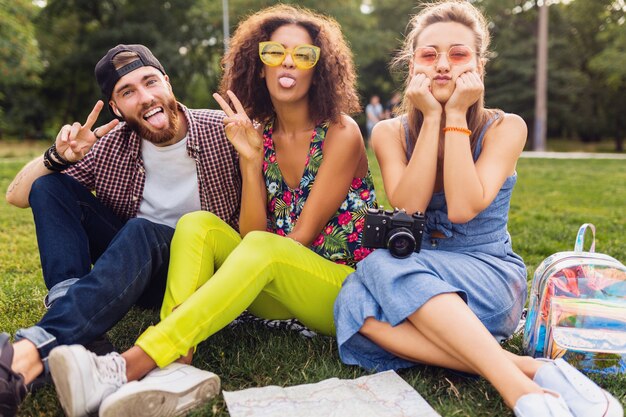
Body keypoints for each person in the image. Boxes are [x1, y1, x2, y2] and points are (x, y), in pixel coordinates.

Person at [47, 5, 377, 417]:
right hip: (275, 286)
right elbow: (249, 235)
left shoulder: (342, 133)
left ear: (319, 69)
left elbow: (300, 240)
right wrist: (251, 163)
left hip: (337, 289)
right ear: (259, 66)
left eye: (304, 55)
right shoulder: (258, 133)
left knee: (265, 248)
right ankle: (178, 366)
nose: (288, 62)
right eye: (275, 52)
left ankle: (129, 364)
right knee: (197, 224)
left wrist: (234, 273)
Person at [333, 2, 623, 417]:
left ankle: (516, 390)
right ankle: (532, 371)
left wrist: (453, 114)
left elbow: (464, 208)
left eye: (458, 54)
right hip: (418, 272)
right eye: (429, 55)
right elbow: (409, 205)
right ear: (412, 64)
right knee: (352, 305)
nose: (443, 66)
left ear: (479, 66)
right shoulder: (388, 132)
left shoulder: (507, 127)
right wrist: (430, 120)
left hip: (487, 276)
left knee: (379, 267)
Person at [0, 44, 241, 417]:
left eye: (150, 82)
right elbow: (17, 195)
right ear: (116, 108)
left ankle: (29, 354)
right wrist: (57, 157)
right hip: (134, 268)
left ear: (167, 82)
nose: (145, 98)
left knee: (143, 230)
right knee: (49, 186)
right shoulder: (111, 144)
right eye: (127, 92)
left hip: (200, 274)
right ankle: (79, 326)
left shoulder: (221, 131)